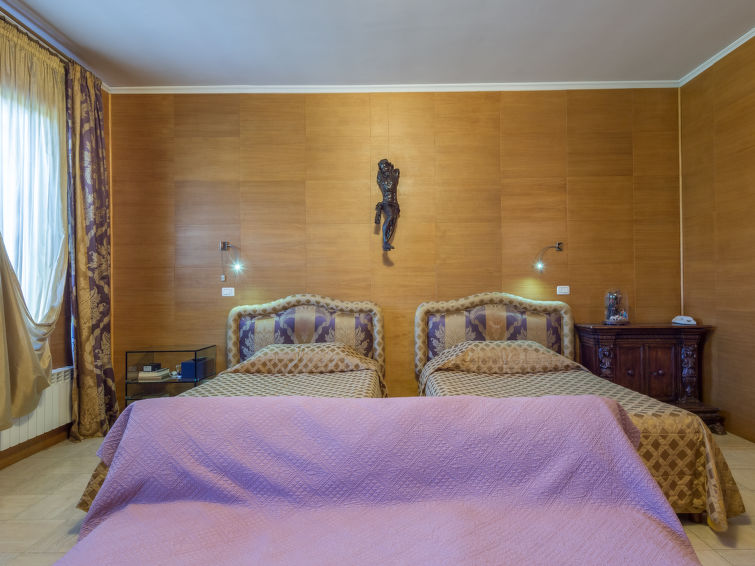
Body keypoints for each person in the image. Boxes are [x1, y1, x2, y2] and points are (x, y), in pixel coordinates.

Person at [374, 159, 400, 251]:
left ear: (388, 165)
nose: (384, 168)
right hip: (386, 202)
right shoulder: (381, 177)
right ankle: (385, 242)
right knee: (390, 216)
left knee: (393, 222)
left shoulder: (395, 173)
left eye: (385, 166)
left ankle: (386, 242)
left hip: (395, 203)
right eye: (382, 167)